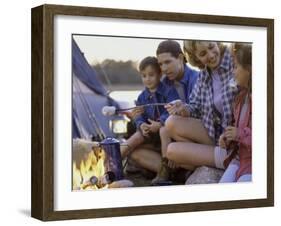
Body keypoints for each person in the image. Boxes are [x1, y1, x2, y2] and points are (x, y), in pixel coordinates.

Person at [159, 41, 237, 179]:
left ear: (218, 43)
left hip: (235, 138)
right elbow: (195, 106)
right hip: (215, 135)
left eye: (211, 47)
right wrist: (183, 108)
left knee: (175, 153)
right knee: (170, 131)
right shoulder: (203, 75)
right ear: (196, 58)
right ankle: (216, 157)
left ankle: (227, 159)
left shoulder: (234, 62)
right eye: (202, 54)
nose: (211, 55)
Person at [129, 40, 199, 180]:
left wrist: (170, 139)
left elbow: (198, 115)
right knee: (135, 152)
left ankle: (172, 167)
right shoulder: (165, 82)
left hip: (189, 136)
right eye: (161, 64)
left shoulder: (196, 79)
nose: (164, 69)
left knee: (165, 129)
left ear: (180, 58)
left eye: (168, 62)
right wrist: (138, 116)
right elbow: (153, 105)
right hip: (167, 138)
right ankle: (171, 171)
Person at [120, 56, 179, 170]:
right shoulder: (142, 97)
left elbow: (172, 112)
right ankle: (112, 163)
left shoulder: (169, 91)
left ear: (159, 74)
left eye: (151, 75)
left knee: (162, 132)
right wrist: (141, 124)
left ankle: (166, 171)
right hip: (149, 135)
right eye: (144, 76)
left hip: (166, 135)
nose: (147, 79)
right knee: (134, 142)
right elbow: (139, 116)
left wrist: (160, 122)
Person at [219, 43, 252, 183]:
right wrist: (228, 137)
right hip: (239, 160)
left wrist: (239, 134)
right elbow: (236, 126)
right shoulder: (240, 98)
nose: (233, 71)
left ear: (250, 69)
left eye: (236, 67)